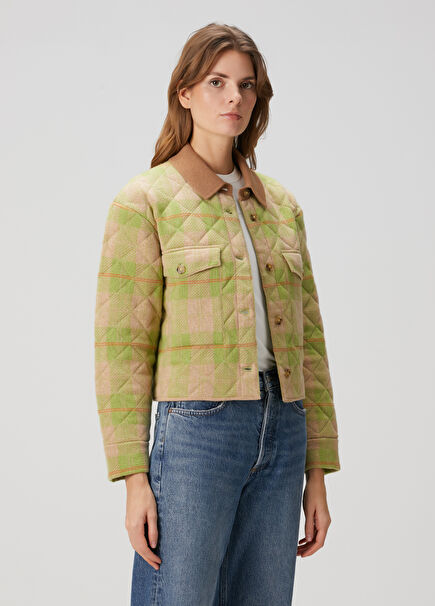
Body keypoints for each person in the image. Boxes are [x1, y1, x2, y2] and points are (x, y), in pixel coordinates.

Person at [94, 22, 341, 606]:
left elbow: (309, 342)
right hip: (196, 435)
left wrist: (317, 471)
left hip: (285, 430)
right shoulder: (145, 201)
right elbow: (121, 350)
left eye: (246, 85)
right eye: (217, 82)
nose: (234, 97)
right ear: (184, 92)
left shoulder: (281, 206)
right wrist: (133, 479)